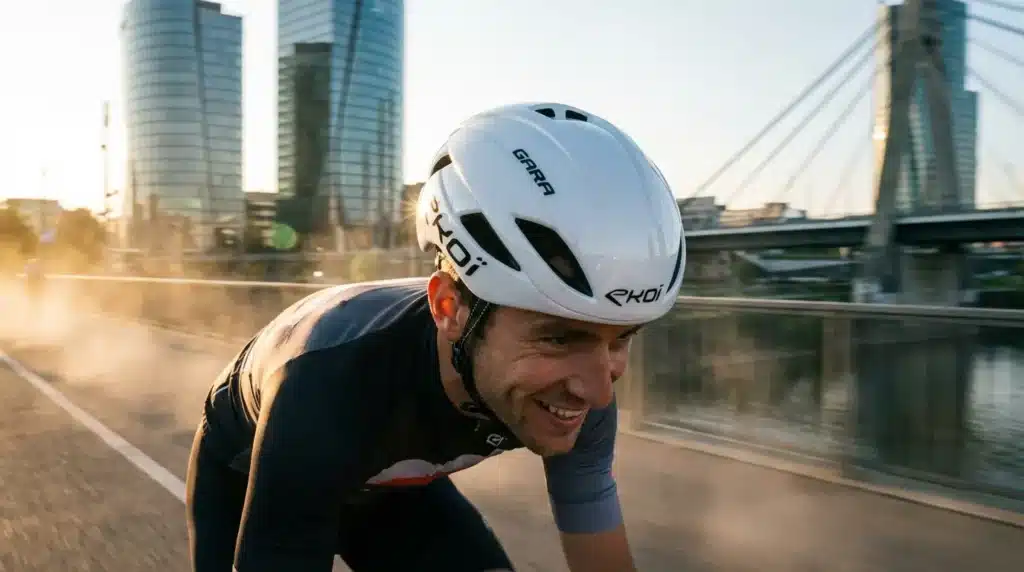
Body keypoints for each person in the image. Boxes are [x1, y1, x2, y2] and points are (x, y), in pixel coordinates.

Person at [185, 102, 686, 572]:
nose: (597, 392)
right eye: (558, 339)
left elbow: (593, 524)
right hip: (251, 463)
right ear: (450, 309)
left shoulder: (576, 388)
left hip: (391, 487)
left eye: (621, 339)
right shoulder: (329, 385)